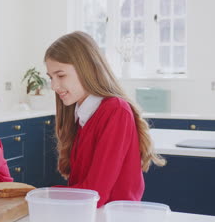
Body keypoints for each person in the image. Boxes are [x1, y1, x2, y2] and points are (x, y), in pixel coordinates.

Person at [44, 31, 166, 207]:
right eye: (51, 78)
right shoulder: (81, 116)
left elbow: (94, 194)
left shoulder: (116, 111)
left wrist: (42, 194)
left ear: (87, 69)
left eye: (61, 75)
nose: (54, 86)